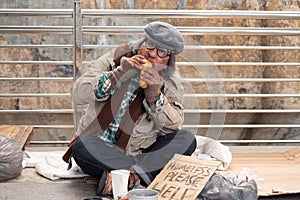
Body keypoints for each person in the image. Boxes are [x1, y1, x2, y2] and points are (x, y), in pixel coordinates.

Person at [70, 21, 196, 196]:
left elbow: (173, 126)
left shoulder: (171, 80)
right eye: (150, 45)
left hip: (140, 152)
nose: (153, 54)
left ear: (169, 60)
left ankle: (125, 177)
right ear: (142, 43)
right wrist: (117, 74)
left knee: (187, 139)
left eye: (162, 52)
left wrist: (154, 96)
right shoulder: (113, 59)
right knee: (81, 146)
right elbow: (78, 93)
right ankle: (140, 176)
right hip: (101, 147)